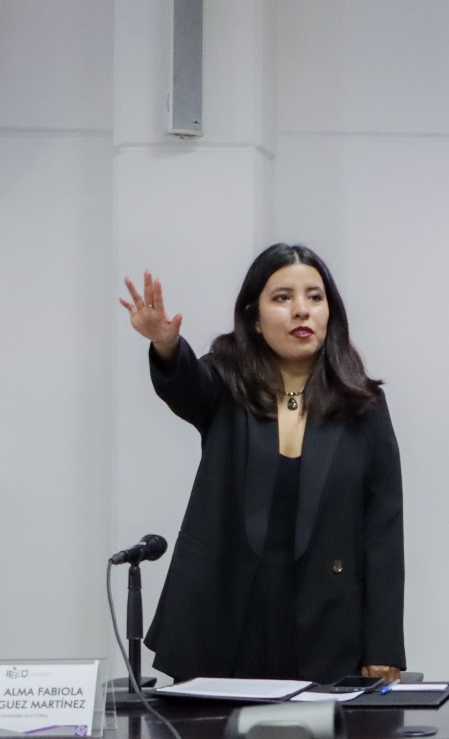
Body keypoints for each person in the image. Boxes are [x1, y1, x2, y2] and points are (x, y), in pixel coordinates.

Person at [119, 243, 406, 683]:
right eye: (282, 297)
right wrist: (166, 343)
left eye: (314, 297)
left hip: (326, 618)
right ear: (255, 318)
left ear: (330, 313)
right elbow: (186, 384)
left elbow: (383, 529)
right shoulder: (225, 383)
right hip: (226, 612)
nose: (301, 310)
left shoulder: (362, 404)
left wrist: (383, 646)